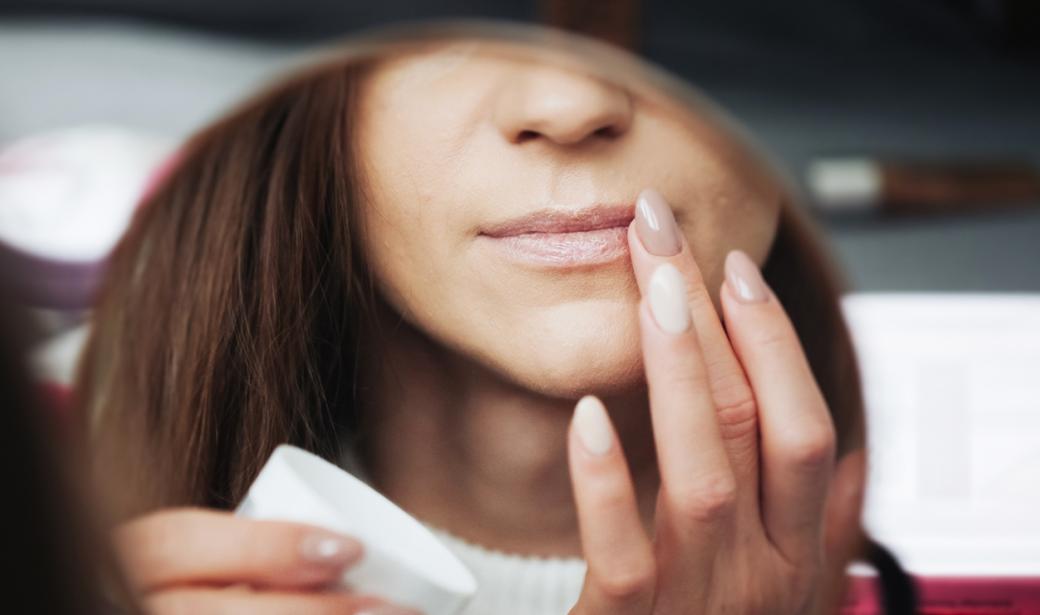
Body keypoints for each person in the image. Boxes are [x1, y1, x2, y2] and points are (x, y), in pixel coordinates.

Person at [77, 23, 870, 615]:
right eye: (457, 20)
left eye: (669, 23)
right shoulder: (44, 512)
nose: (571, 102)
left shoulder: (973, 571)